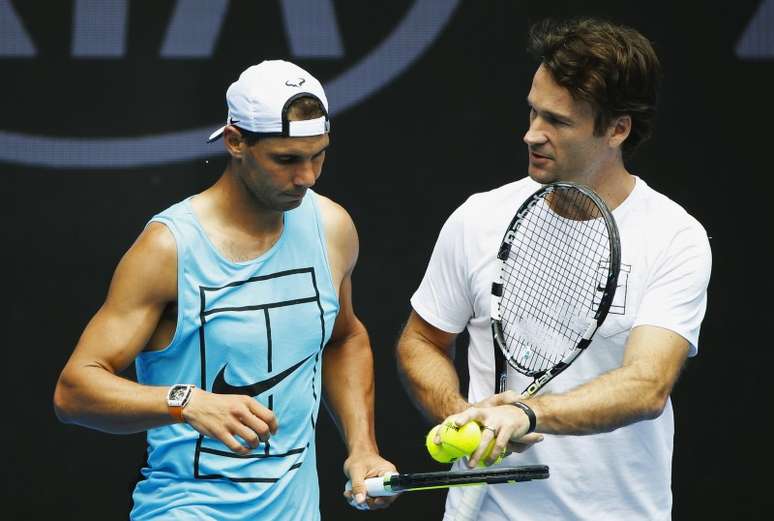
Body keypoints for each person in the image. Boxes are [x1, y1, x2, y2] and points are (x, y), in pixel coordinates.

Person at [397, 18, 712, 520]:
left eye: (558, 122)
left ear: (617, 129)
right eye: (532, 111)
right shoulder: (479, 217)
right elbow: (422, 341)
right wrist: (464, 417)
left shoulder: (675, 237)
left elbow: (647, 384)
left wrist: (524, 413)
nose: (532, 135)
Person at [54, 59, 396, 519]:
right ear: (235, 142)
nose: (308, 177)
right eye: (287, 160)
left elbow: (344, 338)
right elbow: (74, 392)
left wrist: (362, 448)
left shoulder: (331, 226)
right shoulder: (168, 247)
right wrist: (186, 401)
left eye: (319, 155)